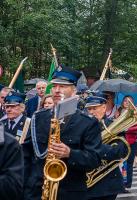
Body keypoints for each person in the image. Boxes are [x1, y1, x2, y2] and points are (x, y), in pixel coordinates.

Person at [23, 65, 103, 200]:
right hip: (36, 191)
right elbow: (26, 154)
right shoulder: (39, 117)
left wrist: (70, 153)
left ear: (74, 90)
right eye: (54, 86)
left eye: (63, 86)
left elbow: (94, 160)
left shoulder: (88, 122)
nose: (57, 90)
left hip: (70, 192)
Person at [85, 92, 127, 200]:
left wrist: (95, 147)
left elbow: (120, 151)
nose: (91, 112)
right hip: (86, 183)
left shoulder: (113, 126)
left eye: (95, 108)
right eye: (89, 109)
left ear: (104, 108)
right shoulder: (81, 125)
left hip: (108, 184)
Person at [118, 95, 137, 190]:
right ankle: (120, 183)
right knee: (120, 163)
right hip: (120, 142)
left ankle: (127, 184)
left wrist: (126, 129)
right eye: (125, 101)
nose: (127, 103)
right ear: (122, 103)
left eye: (129, 101)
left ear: (132, 104)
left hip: (131, 142)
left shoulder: (135, 113)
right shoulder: (118, 112)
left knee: (129, 164)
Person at [0, 122, 24, 200]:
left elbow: (13, 189)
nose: (9, 110)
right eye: (7, 108)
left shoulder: (11, 144)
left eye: (12, 108)